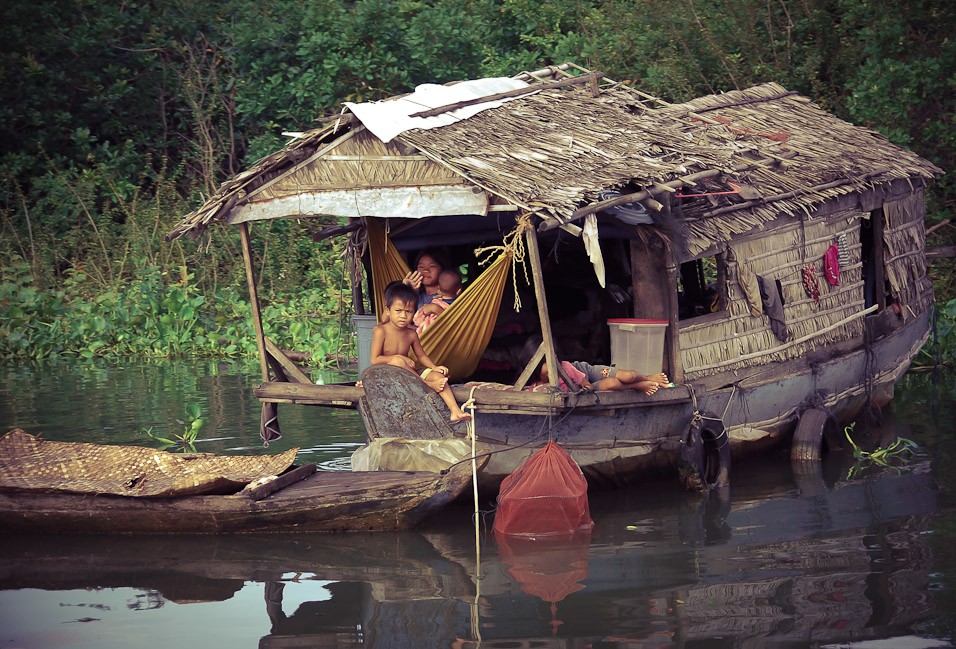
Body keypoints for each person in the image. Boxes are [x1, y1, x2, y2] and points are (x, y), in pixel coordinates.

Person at [371, 281, 471, 422]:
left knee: (438, 377)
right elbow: (375, 359)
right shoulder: (381, 331)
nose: (403, 316)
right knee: (398, 360)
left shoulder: (411, 334)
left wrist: (434, 367)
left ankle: (455, 411)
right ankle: (427, 385)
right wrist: (400, 357)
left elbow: (422, 355)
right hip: (388, 374)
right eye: (398, 311)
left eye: (409, 311)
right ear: (388, 311)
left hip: (408, 373)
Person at [536, 359, 669, 395]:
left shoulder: (564, 367)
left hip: (585, 375)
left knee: (628, 375)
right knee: (613, 384)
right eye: (545, 366)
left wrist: (581, 387)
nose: (551, 368)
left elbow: (586, 384)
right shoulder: (535, 384)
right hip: (582, 390)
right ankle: (636, 386)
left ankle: (647, 377)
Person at [413, 268, 463, 335]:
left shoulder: (434, 301)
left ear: (438, 288)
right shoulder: (459, 305)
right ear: (459, 291)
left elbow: (418, 316)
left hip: (426, 334)